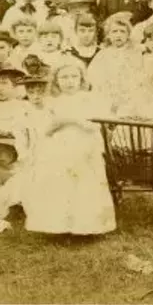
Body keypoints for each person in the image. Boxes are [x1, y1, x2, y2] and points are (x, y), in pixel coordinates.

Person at [22, 64, 117, 237]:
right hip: (59, 143)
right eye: (64, 78)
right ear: (56, 81)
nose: (69, 82)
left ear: (81, 79)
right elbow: (47, 129)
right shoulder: (52, 101)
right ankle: (59, 225)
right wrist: (61, 123)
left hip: (85, 143)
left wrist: (72, 120)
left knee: (82, 173)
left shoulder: (89, 99)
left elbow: (96, 125)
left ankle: (86, 225)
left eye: (74, 77)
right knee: (55, 170)